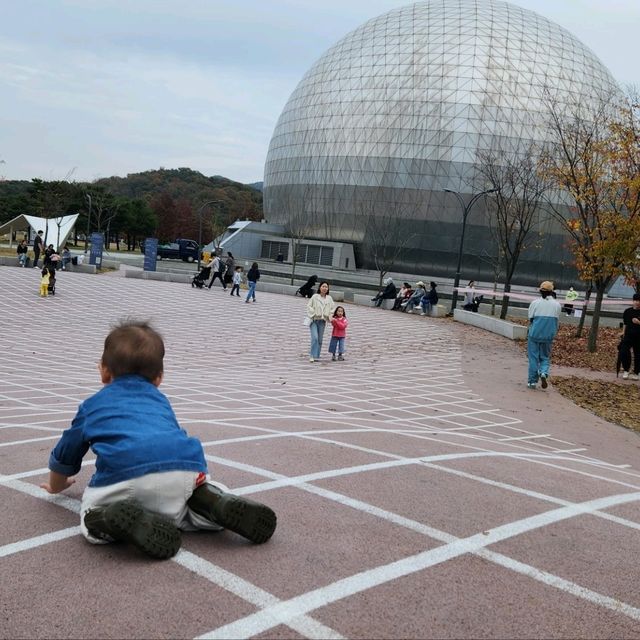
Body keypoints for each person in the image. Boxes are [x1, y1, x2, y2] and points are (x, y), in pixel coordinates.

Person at [39, 320, 277, 560]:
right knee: (186, 509)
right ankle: (212, 501)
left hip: (124, 477)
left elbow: (66, 454)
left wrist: (57, 485)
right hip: (185, 472)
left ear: (103, 370)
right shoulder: (161, 401)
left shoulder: (91, 407)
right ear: (158, 378)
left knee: (90, 513)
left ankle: (110, 516)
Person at [527, 281, 561, 389]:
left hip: (535, 334)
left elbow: (531, 318)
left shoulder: (535, 303)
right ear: (552, 292)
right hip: (548, 336)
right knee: (545, 357)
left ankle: (532, 382)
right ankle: (543, 372)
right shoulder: (557, 305)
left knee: (533, 358)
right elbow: (557, 318)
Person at [306, 281, 334, 362]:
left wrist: (329, 315)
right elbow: (309, 306)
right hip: (314, 320)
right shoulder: (315, 296)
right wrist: (314, 312)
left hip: (322, 321)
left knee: (320, 339)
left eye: (326, 287)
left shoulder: (329, 298)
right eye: (323, 286)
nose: (324, 288)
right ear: (320, 287)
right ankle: (312, 355)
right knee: (314, 338)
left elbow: (332, 308)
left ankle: (316, 355)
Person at [620, 293, 640, 380]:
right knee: (624, 352)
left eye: (639, 301)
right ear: (633, 301)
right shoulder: (627, 311)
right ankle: (626, 370)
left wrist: (639, 323)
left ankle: (636, 372)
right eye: (635, 300)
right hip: (628, 336)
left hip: (639, 337)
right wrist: (623, 332)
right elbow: (625, 323)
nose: (637, 302)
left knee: (638, 354)